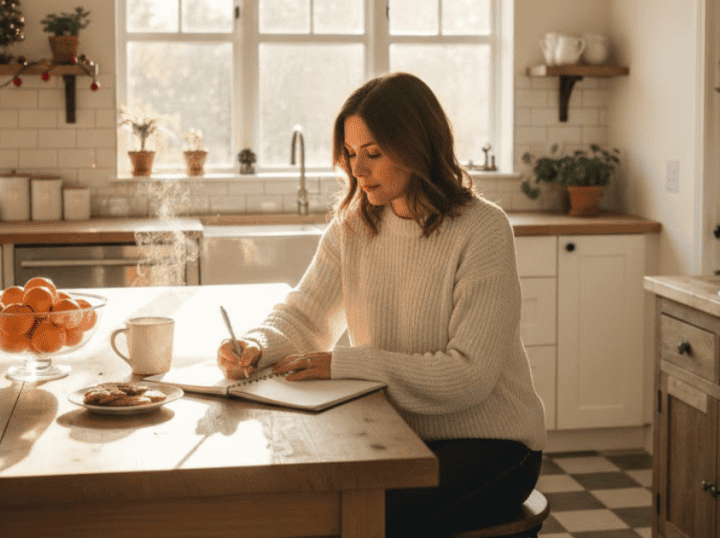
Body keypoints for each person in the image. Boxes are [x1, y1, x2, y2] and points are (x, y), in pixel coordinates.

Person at [217, 71, 546, 536]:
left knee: (355, 517)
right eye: (351, 155)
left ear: (419, 146)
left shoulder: (482, 230)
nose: (358, 169)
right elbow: (306, 313)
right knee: (311, 499)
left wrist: (345, 364)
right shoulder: (353, 226)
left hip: (494, 446)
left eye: (373, 154)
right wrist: (253, 344)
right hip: (395, 434)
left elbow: (468, 375)